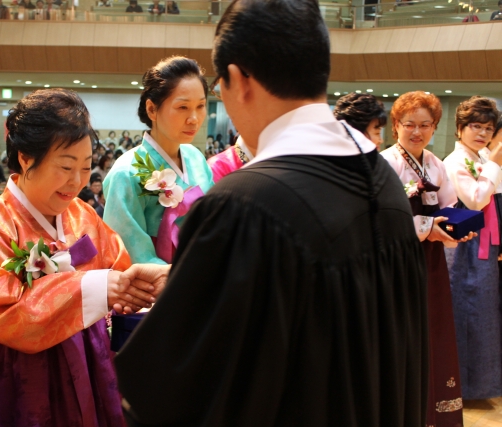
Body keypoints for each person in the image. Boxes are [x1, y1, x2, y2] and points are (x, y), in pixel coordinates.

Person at [114, 0, 428, 425]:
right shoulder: (382, 180)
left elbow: (176, 393)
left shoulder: (244, 206)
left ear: (239, 79)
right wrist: (186, 277)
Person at [0, 89, 156, 426]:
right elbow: (8, 317)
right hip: (14, 369)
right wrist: (95, 287)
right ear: (25, 158)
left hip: (88, 356)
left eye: (86, 167)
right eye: (65, 166)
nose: (76, 182)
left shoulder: (81, 214)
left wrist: (144, 284)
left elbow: (117, 267)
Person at [381, 91, 466, 426]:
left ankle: (434, 411)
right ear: (396, 126)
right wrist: (428, 228)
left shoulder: (435, 163)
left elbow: (449, 206)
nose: (417, 132)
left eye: (425, 125)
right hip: (398, 259)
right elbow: (383, 219)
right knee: (404, 329)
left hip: (431, 260)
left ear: (434, 127)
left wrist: (458, 228)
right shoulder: (386, 164)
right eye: (409, 124)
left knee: (434, 326)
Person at [103, 56, 214, 264]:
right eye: (183, 107)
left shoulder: (195, 157)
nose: (194, 118)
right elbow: (131, 255)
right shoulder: (126, 173)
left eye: (200, 106)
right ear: (152, 109)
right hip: (164, 281)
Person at [443, 96, 502, 400]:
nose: (482, 133)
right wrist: (494, 164)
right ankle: (461, 384)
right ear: (460, 128)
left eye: (488, 128)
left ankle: (481, 384)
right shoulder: (455, 161)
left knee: (483, 311)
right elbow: (476, 200)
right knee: (466, 309)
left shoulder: (481, 158)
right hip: (465, 244)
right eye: (476, 126)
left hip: (484, 243)